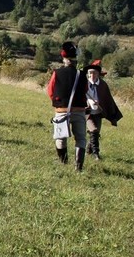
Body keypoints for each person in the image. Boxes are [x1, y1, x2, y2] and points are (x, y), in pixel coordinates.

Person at [46, 40, 88, 170]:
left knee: (61, 138)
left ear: (64, 58)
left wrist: (58, 102)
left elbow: (50, 91)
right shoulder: (82, 75)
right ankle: (78, 167)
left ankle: (63, 163)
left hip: (61, 110)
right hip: (79, 110)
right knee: (80, 139)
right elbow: (86, 90)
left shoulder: (57, 73)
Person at [84, 59, 123, 161]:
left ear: (98, 74)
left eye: (94, 73)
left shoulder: (103, 85)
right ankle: (96, 154)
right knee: (94, 130)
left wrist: (102, 106)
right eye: (90, 73)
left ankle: (88, 150)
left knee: (95, 133)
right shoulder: (83, 84)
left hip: (98, 113)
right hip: (87, 113)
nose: (92, 75)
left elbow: (108, 99)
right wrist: (87, 102)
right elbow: (79, 97)